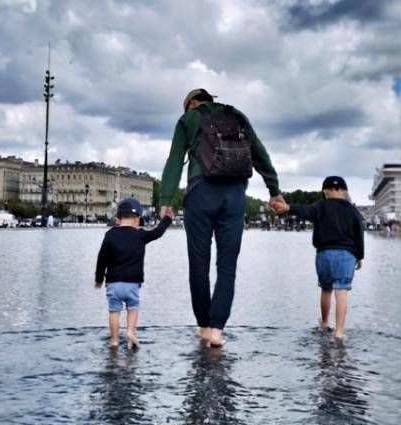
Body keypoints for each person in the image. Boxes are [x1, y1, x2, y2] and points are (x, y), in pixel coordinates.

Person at [159, 88, 287, 347]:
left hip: (201, 193)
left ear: (192, 103)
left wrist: (165, 200)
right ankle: (218, 330)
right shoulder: (236, 114)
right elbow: (260, 153)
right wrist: (274, 191)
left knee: (199, 265)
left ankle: (204, 327)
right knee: (227, 268)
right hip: (235, 196)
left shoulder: (188, 119)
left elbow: (174, 159)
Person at [273, 176, 364, 339]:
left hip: (323, 253)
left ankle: (324, 323)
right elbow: (359, 231)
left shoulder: (320, 205)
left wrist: (288, 207)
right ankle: (339, 332)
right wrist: (360, 255)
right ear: (343, 191)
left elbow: (305, 211)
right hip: (346, 253)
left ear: (325, 191)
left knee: (326, 289)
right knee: (341, 291)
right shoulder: (351, 209)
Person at [95, 197, 173, 348]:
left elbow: (101, 259)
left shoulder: (110, 234)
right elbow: (157, 232)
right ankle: (130, 332)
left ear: (118, 219)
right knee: (132, 308)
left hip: (114, 283)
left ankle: (114, 340)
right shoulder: (140, 235)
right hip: (132, 283)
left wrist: (98, 279)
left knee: (114, 311)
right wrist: (167, 219)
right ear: (137, 218)